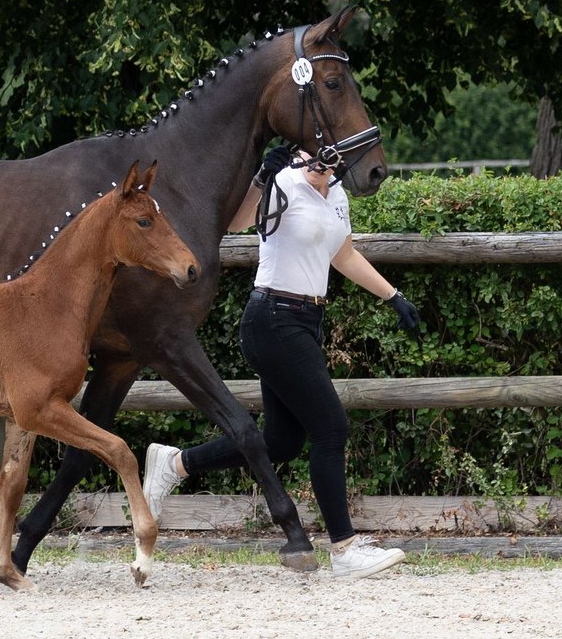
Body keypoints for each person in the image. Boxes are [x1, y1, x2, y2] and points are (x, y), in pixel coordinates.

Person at [142, 144, 421, 579]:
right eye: (312, 154)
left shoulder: (337, 195)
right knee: (331, 427)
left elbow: (342, 255)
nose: (320, 165)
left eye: (329, 158)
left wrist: (393, 296)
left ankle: (175, 463)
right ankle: (344, 549)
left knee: (283, 442)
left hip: (308, 320)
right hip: (273, 318)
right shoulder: (284, 181)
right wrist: (260, 179)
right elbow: (237, 223)